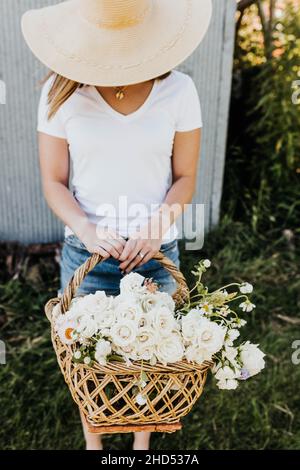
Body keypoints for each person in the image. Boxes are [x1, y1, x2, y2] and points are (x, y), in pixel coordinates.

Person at [21, 0, 212, 451]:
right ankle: (95, 446)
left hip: (156, 255)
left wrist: (155, 229)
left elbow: (184, 178)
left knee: (151, 357)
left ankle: (142, 447)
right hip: (87, 256)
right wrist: (88, 232)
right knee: (88, 365)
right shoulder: (59, 93)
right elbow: (54, 182)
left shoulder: (180, 90)